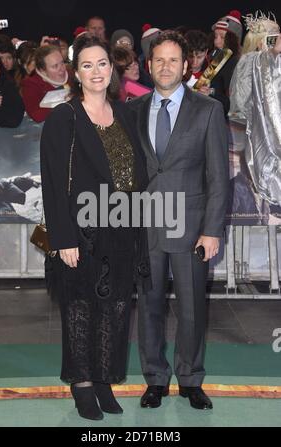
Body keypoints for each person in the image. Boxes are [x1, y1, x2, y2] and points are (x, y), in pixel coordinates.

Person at [40, 34, 150, 421]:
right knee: (81, 309)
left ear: (112, 68)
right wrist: (63, 237)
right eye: (87, 65)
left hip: (121, 229)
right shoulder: (64, 117)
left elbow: (137, 175)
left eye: (102, 63)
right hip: (81, 233)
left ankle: (104, 379)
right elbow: (52, 184)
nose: (96, 71)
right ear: (76, 73)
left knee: (116, 309)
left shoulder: (126, 115)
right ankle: (82, 384)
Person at [128, 30, 229, 410]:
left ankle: (190, 380)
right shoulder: (133, 110)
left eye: (173, 60)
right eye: (159, 60)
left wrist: (212, 230)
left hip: (191, 228)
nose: (166, 66)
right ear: (149, 65)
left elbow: (219, 176)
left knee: (191, 308)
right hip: (145, 227)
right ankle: (154, 378)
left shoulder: (208, 110)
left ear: (186, 65)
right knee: (149, 307)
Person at [229, 11, 281, 206]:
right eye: (275, 35)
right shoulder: (253, 61)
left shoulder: (270, 62)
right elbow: (242, 103)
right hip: (251, 136)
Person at [21, 45, 70, 123]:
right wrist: (62, 102)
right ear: (43, 70)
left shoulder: (72, 74)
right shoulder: (31, 85)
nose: (62, 69)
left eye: (62, 63)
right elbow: (36, 115)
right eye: (55, 66)